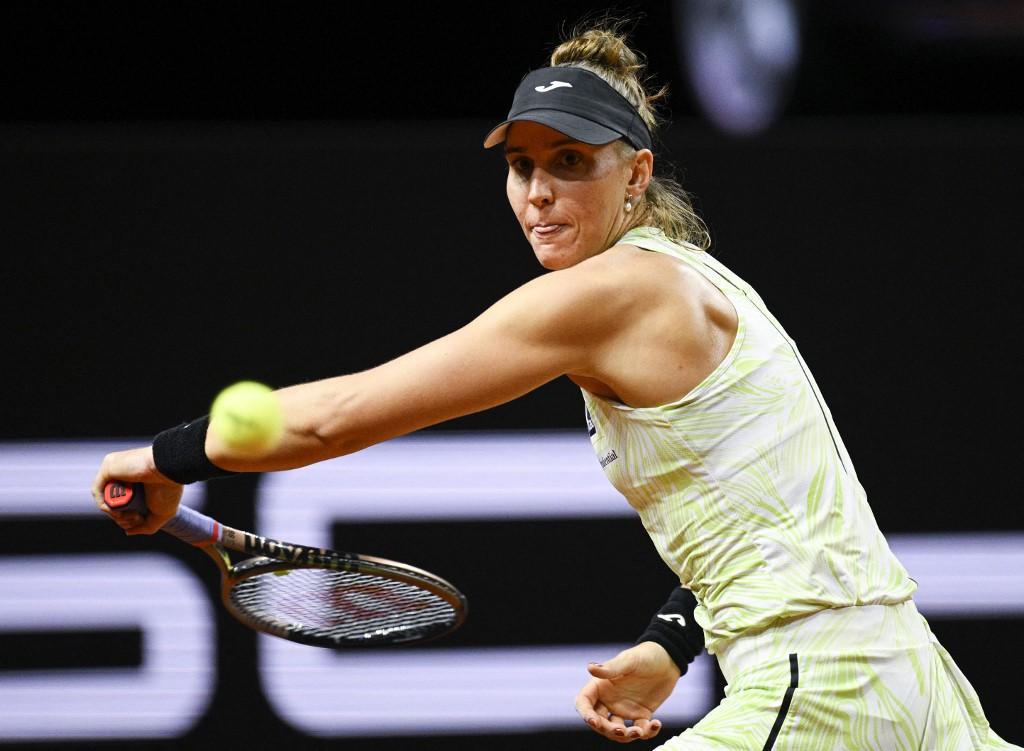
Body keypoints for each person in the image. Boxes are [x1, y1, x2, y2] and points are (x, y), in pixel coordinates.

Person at [93, 19, 1018, 751]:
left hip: (824, 690)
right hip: (906, 681)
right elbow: (776, 521)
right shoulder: (691, 279)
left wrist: (166, 455)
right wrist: (672, 644)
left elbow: (336, 416)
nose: (538, 190)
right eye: (521, 165)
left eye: (569, 162)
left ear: (636, 174)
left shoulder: (609, 295)